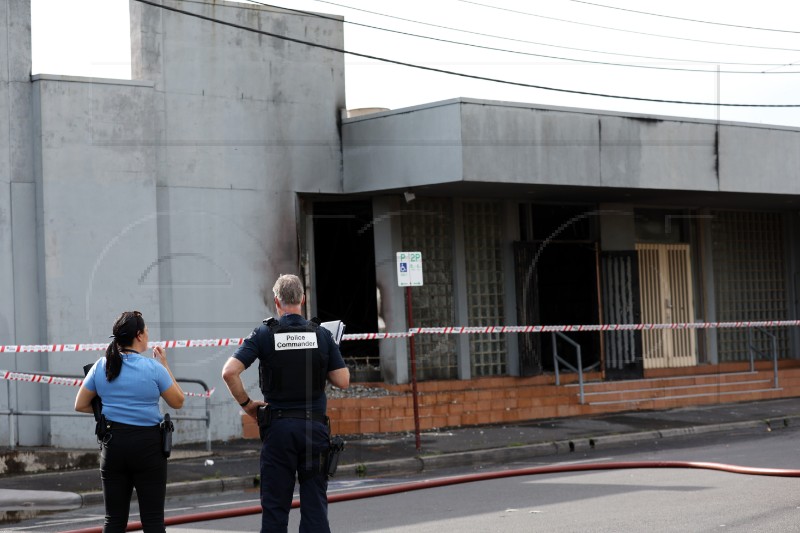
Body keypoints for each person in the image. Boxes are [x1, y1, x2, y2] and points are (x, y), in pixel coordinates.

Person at [222, 274, 350, 533]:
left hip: (278, 430)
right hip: (313, 431)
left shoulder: (263, 333)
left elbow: (229, 372)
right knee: (315, 508)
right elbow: (343, 380)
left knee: (275, 509)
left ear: (276, 301)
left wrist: (247, 405)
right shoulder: (322, 335)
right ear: (303, 299)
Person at [75, 311, 185, 533]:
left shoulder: (102, 366)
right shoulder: (154, 368)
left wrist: (109, 410)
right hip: (148, 447)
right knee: (153, 521)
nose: (147, 334)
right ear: (139, 335)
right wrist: (164, 364)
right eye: (146, 331)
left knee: (113, 521)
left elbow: (80, 404)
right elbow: (178, 401)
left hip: (113, 443)